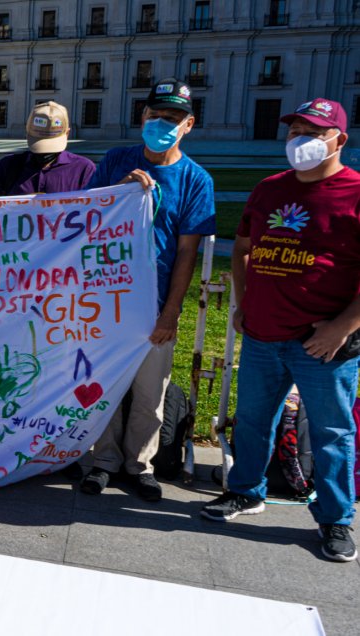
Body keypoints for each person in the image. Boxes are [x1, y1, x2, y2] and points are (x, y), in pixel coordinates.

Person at [200, 98, 360, 562]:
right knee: (251, 419)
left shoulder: (354, 191)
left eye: (312, 133)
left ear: (338, 141)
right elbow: (244, 247)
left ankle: (335, 519)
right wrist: (245, 302)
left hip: (323, 343)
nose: (299, 140)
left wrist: (342, 327)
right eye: (294, 132)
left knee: (332, 432)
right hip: (264, 334)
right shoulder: (270, 189)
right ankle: (247, 490)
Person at [80, 78, 215, 502]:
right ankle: (102, 461)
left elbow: (186, 253)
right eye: (155, 115)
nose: (162, 123)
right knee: (102, 387)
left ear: (188, 124)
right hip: (106, 300)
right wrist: (119, 191)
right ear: (143, 117)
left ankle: (141, 465)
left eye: (172, 118)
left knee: (149, 395)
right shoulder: (115, 160)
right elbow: (84, 220)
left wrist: (171, 312)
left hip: (155, 303)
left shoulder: (195, 180)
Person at [0, 101, 95, 196]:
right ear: (27, 133)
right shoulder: (7, 166)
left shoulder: (83, 169)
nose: (45, 152)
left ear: (67, 133)